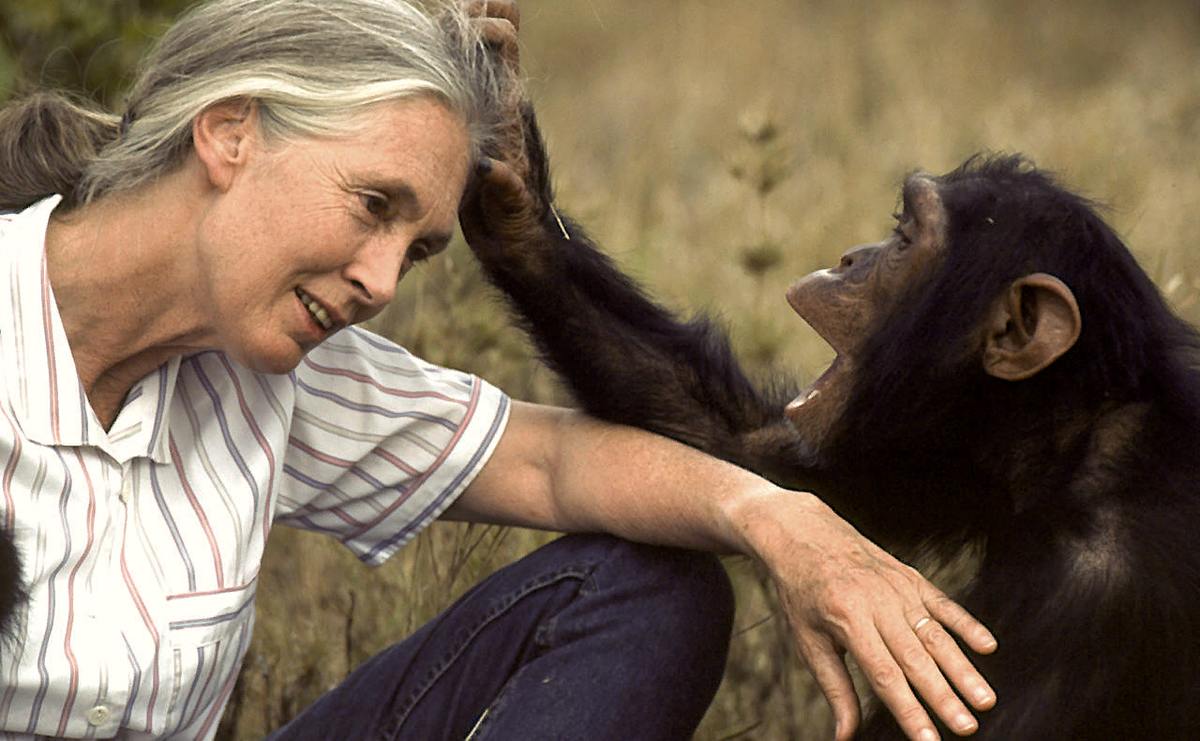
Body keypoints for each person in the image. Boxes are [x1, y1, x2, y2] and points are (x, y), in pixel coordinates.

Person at [0, 0, 998, 739]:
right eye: (373, 205)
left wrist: (785, 520)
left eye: (419, 249)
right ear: (230, 129)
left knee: (646, 587)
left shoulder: (265, 364)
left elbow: (554, 462)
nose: (383, 283)